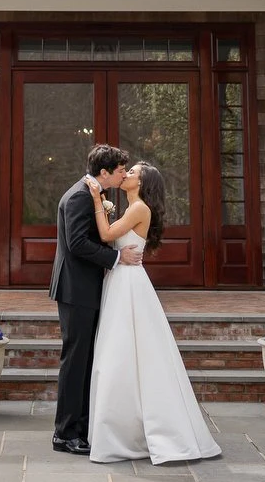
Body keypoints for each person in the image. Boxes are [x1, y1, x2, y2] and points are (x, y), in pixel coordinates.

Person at [82, 160, 221, 464]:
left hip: (129, 285)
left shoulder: (139, 208)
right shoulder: (131, 207)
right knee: (120, 350)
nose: (126, 174)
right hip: (120, 280)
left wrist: (96, 200)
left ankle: (138, 432)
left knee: (126, 349)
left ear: (142, 183)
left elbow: (106, 235)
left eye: (132, 172)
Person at [50, 144, 144, 456]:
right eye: (120, 170)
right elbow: (77, 243)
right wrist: (116, 257)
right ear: (104, 172)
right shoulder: (80, 196)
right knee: (75, 361)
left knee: (86, 359)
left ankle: (80, 427)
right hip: (75, 290)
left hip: (84, 289)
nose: (123, 175)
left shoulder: (89, 194)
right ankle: (65, 434)